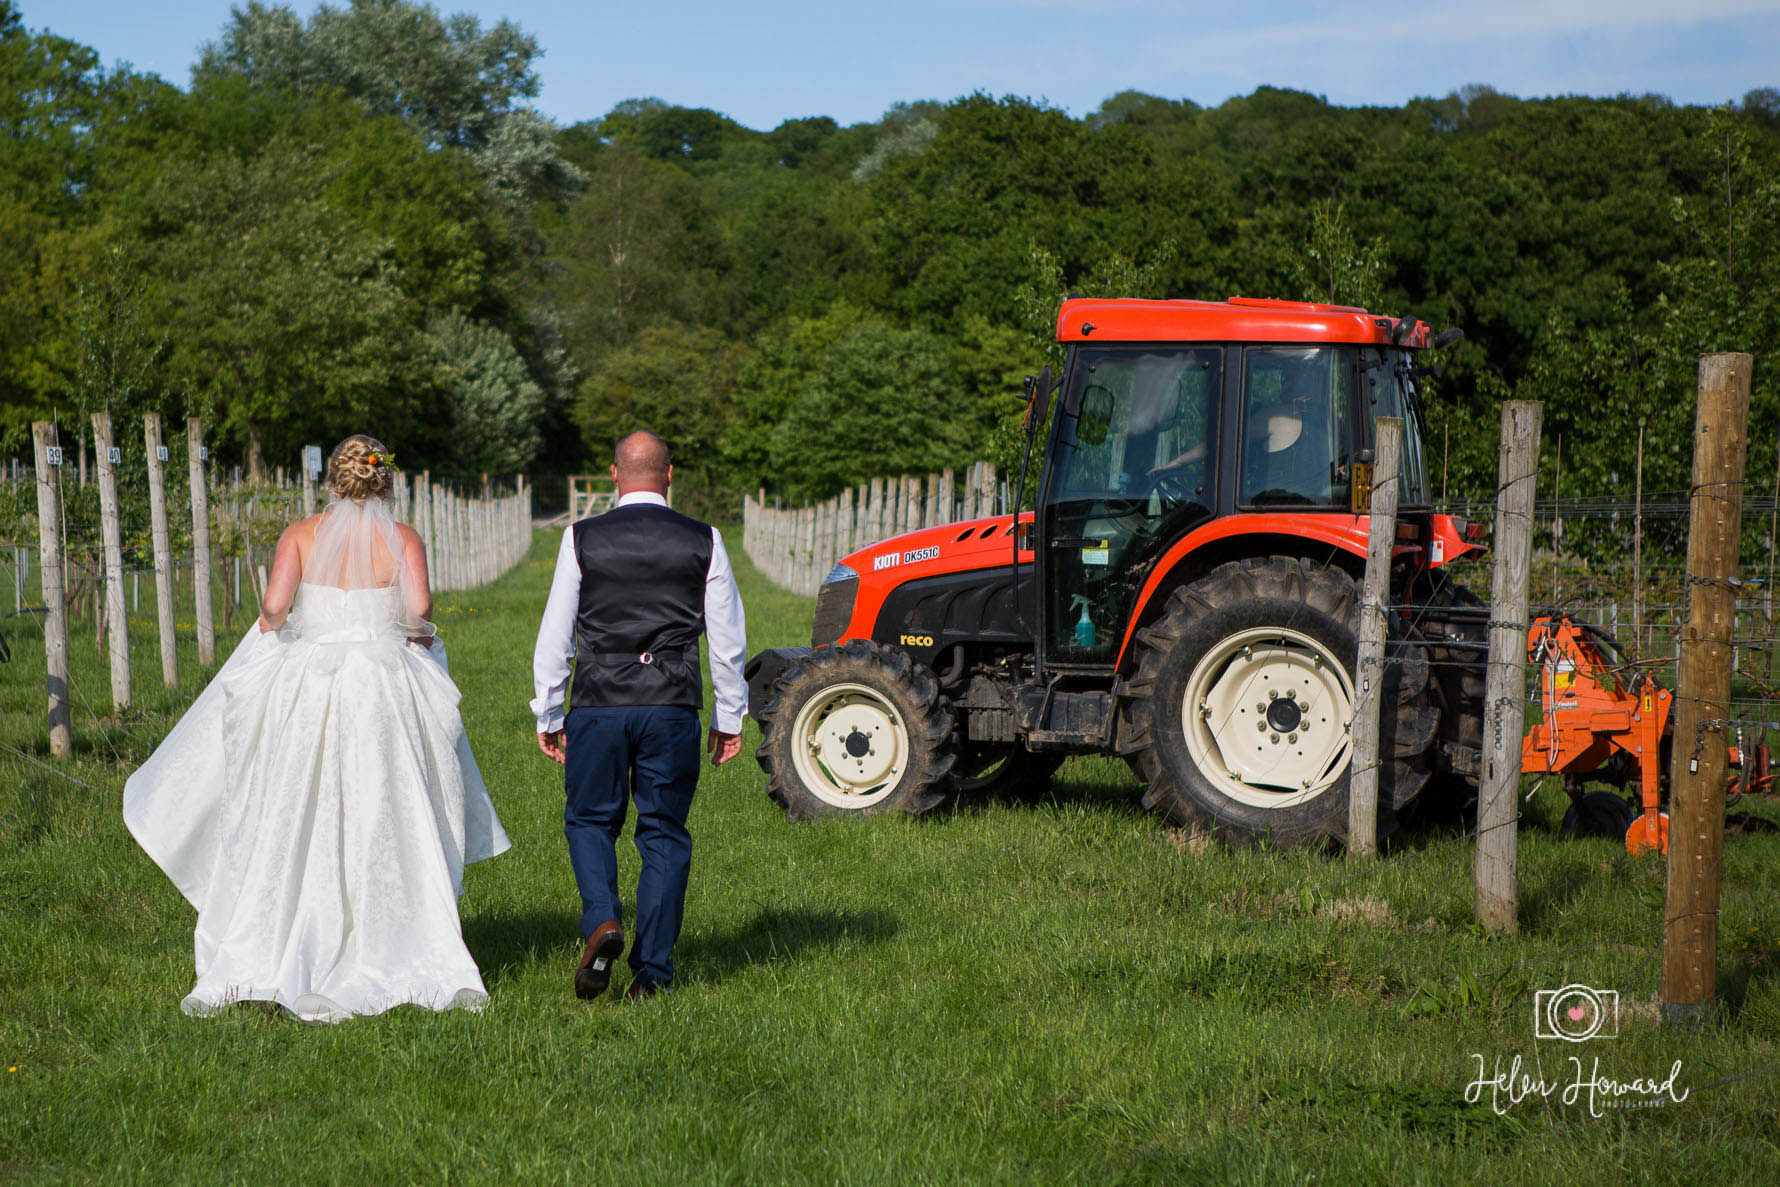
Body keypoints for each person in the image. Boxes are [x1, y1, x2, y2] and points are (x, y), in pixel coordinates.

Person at [123, 435, 510, 1023]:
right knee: (384, 803)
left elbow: (275, 608)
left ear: (333, 480)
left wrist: (295, 619)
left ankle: (287, 929)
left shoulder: (300, 535)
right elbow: (420, 609)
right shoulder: (402, 539)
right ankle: (394, 933)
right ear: (384, 481)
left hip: (313, 684)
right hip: (382, 684)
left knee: (298, 800)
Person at [530, 429, 747, 1002]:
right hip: (672, 704)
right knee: (664, 835)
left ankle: (603, 920)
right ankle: (651, 975)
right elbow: (726, 642)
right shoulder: (706, 539)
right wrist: (730, 716)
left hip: (600, 702)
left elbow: (556, 634)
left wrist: (549, 710)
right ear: (670, 475)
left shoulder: (582, 537)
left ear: (615, 475)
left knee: (589, 821)